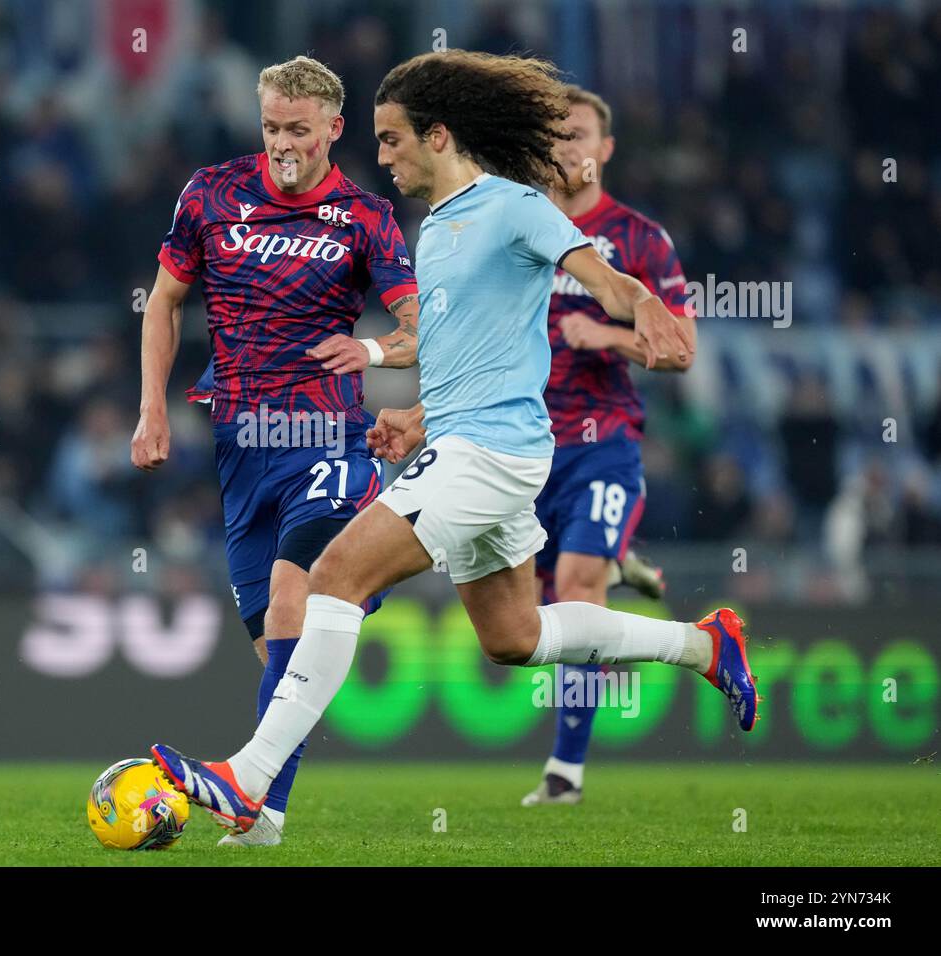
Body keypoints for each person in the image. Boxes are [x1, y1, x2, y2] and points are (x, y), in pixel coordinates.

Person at [150, 51, 757, 834]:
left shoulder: (512, 206)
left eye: (393, 139)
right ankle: (705, 646)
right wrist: (417, 419)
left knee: (333, 574)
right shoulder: (434, 231)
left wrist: (642, 310)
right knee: (515, 637)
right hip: (472, 442)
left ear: (438, 136)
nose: (384, 156)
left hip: (492, 455)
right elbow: (473, 361)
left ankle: (247, 779)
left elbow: (603, 275)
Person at [130, 56, 419, 845]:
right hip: (240, 448)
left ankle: (246, 800)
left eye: (299, 129)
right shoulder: (211, 193)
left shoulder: (365, 217)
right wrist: (152, 407)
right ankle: (264, 821)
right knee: (276, 649)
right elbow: (164, 304)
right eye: (271, 128)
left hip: (328, 439)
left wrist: (376, 355)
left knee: (300, 600)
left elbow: (418, 327)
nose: (283, 144)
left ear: (334, 127)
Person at [522, 86, 696, 807]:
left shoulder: (640, 239)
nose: (568, 146)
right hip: (522, 446)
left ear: (607, 148)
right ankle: (618, 560)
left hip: (603, 441)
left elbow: (682, 349)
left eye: (582, 134)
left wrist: (611, 336)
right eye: (557, 135)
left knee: (577, 586)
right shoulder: (519, 226)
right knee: (528, 619)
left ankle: (565, 773)